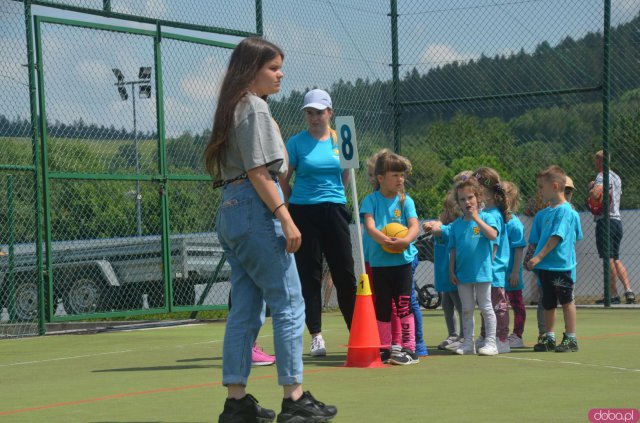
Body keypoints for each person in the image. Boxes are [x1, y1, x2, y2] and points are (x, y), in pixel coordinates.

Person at [203, 37, 336, 422]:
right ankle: (294, 398)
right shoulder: (254, 106)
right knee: (290, 303)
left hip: (230, 210)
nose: (280, 75)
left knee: (245, 309)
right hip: (256, 210)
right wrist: (285, 216)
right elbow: (261, 172)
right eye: (273, 68)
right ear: (252, 70)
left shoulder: (231, 107)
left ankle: (236, 402)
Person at [281, 89, 356, 356]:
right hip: (303, 213)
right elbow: (283, 179)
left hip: (335, 211)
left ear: (330, 113)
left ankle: (356, 332)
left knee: (345, 273)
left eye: (319, 112)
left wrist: (336, 197)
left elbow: (347, 176)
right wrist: (292, 207)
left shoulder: (343, 138)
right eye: (309, 113)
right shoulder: (295, 143)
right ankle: (316, 335)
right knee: (309, 275)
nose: (314, 117)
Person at [364, 149, 428, 359]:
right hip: (380, 263)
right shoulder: (371, 200)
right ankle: (386, 347)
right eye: (395, 175)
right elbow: (369, 226)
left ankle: (409, 348)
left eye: (402, 175)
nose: (401, 179)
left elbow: (414, 226)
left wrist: (405, 241)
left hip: (402, 262)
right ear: (381, 178)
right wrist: (382, 240)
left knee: (403, 304)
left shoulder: (405, 201)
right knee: (382, 306)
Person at [526, 166, 583, 353]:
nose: (539, 191)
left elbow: (557, 237)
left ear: (556, 186)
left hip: (561, 267)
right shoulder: (543, 214)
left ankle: (571, 338)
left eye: (542, 187)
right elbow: (536, 240)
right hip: (545, 268)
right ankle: (549, 337)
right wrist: (532, 258)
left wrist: (539, 257)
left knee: (566, 301)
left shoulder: (566, 211)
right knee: (548, 302)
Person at [448, 177, 499, 356]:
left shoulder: (487, 217)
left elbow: (493, 235)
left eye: (470, 197)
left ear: (478, 197)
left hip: (483, 273)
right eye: (462, 199)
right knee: (467, 308)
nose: (467, 202)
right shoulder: (456, 226)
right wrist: (451, 270)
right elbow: (453, 250)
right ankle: (468, 343)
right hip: (463, 274)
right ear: (458, 203)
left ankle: (491, 343)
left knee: (486, 307)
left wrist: (477, 218)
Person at [589, 150, 635, 304]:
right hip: (617, 221)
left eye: (595, 161)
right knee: (616, 258)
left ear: (600, 161)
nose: (594, 164)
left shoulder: (601, 176)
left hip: (605, 221)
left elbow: (596, 195)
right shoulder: (616, 177)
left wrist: (591, 189)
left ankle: (613, 294)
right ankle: (628, 291)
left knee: (607, 258)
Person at [473, 167, 512, 354]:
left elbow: (493, 245)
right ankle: (486, 335)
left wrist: (487, 266)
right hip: (485, 270)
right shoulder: (485, 213)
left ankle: (501, 339)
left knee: (497, 307)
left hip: (493, 271)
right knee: (485, 306)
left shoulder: (493, 215)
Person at [424, 190, 463, 351]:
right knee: (447, 305)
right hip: (443, 273)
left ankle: (464, 335)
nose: (445, 213)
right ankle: (453, 334)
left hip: (453, 273)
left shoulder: (455, 227)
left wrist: (434, 224)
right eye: (445, 209)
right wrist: (432, 223)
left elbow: (439, 230)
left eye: (449, 210)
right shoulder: (447, 225)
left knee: (459, 305)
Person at [501, 181, 527, 348]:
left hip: (511, 274)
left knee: (517, 304)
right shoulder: (495, 219)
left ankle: (517, 335)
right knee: (499, 305)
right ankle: (498, 334)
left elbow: (518, 249)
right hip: (498, 273)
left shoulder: (515, 224)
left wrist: (515, 272)